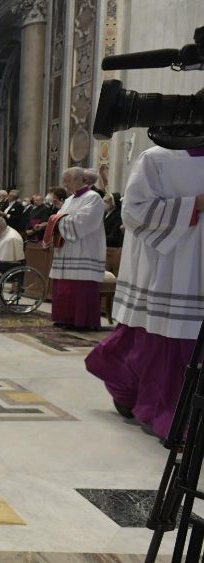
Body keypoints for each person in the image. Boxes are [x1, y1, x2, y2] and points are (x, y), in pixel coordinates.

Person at [86, 146, 204, 438]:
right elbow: (134, 211)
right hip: (172, 268)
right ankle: (163, 409)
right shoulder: (159, 157)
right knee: (166, 341)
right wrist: (193, 206)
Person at [47, 168, 106, 331]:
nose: (65, 184)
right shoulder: (68, 200)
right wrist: (56, 221)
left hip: (83, 249)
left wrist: (59, 222)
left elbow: (85, 221)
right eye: (64, 181)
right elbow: (59, 217)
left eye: (68, 180)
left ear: (80, 179)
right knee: (64, 287)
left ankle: (82, 320)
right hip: (66, 248)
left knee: (80, 287)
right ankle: (64, 318)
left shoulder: (93, 198)